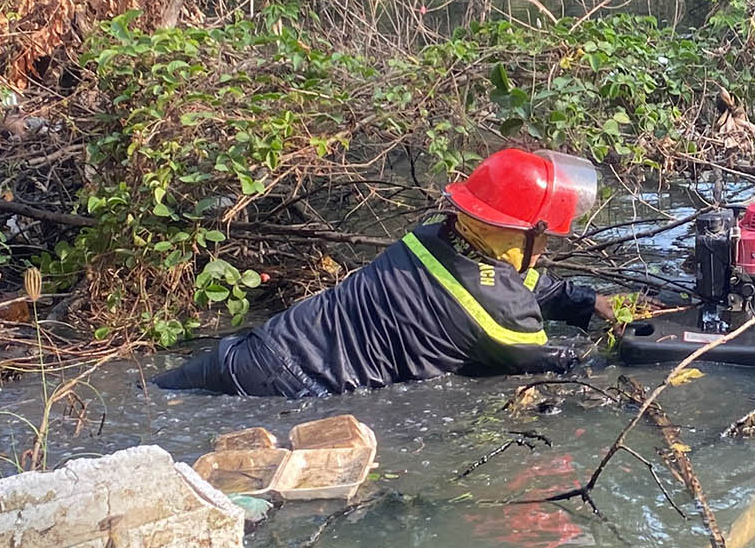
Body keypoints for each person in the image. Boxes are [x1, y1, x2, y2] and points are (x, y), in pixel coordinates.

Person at [155, 148, 620, 398]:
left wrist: (586, 301)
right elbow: (553, 363)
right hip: (294, 389)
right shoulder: (499, 315)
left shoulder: (431, 238)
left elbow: (504, 283)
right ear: (518, 236)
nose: (547, 248)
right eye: (545, 238)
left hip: (257, 351)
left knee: (154, 393)